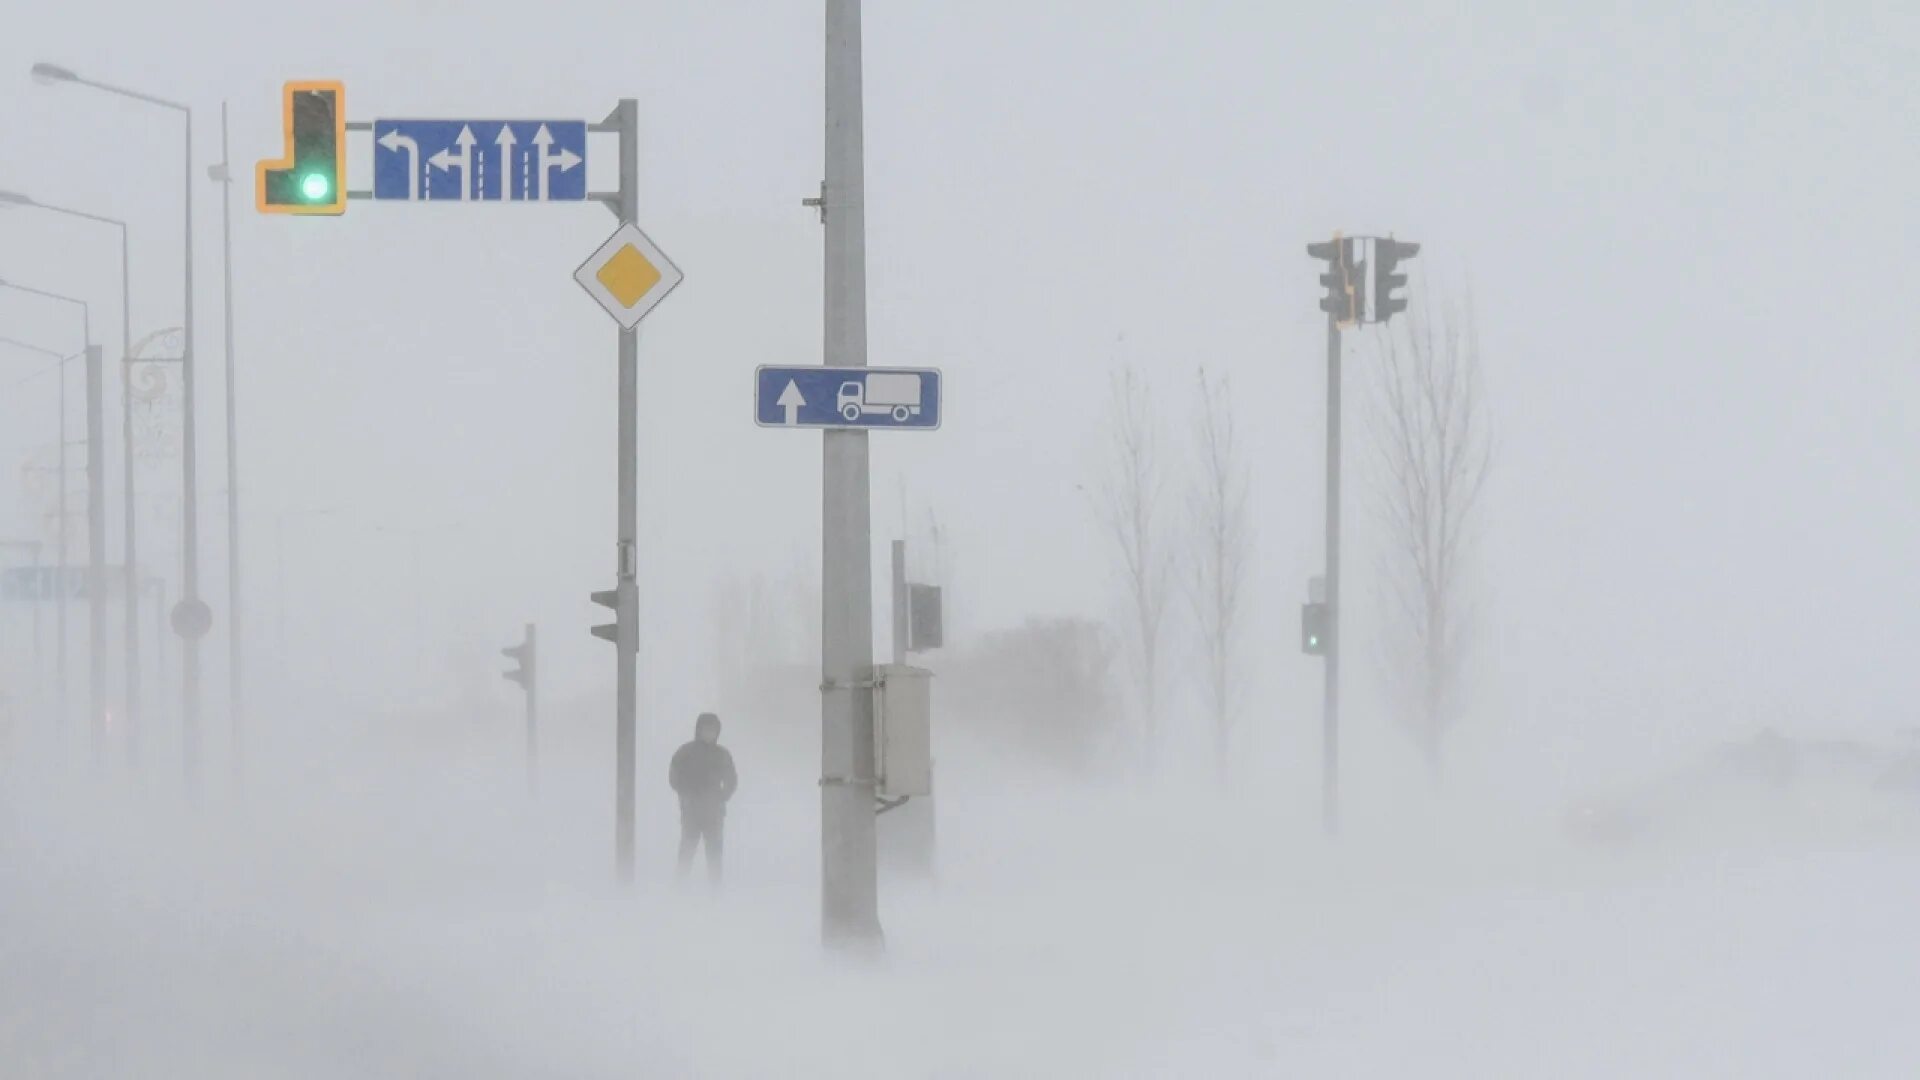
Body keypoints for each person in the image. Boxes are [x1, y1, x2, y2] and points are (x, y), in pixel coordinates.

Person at [669, 712, 737, 882]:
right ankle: (680, 887)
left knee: (714, 853)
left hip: (714, 812)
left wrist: (723, 796)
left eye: (713, 730)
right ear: (698, 730)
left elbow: (732, 779)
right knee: (687, 850)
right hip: (691, 811)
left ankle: (715, 892)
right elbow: (674, 776)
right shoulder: (685, 752)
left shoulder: (722, 755)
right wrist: (685, 793)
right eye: (706, 729)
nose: (709, 733)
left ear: (718, 732)